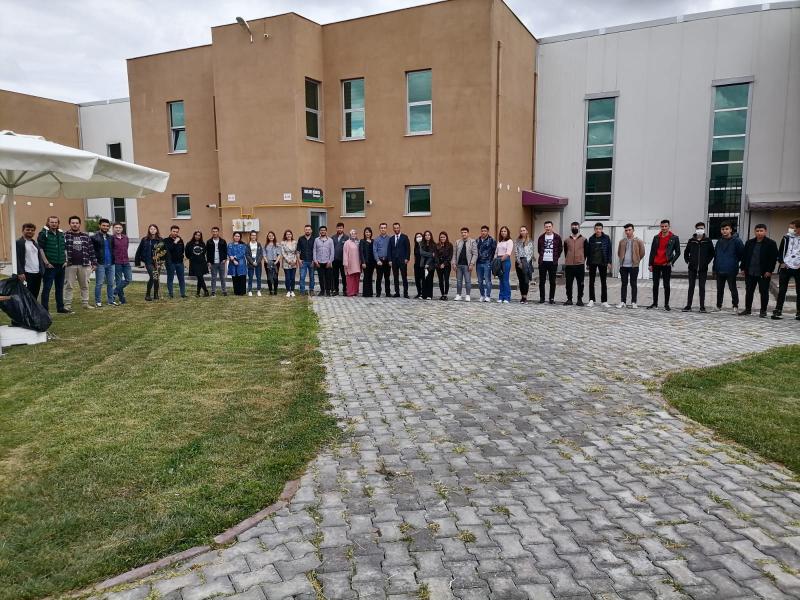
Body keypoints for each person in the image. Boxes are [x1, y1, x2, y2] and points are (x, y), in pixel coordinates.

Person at [739, 224, 778, 318]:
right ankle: (747, 309)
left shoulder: (771, 243)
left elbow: (773, 259)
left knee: (764, 292)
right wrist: (743, 268)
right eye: (757, 231)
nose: (759, 233)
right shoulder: (749, 242)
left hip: (764, 273)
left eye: (761, 231)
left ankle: (763, 311)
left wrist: (769, 271)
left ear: (765, 231)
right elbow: (744, 256)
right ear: (754, 232)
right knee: (749, 291)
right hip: (750, 271)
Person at [64, 215, 97, 311]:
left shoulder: (85, 236)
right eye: (73, 223)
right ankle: (67, 305)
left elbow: (91, 250)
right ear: (70, 224)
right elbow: (62, 250)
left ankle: (85, 303)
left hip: (84, 264)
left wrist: (94, 262)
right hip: (70, 265)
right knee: (68, 285)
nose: (75, 225)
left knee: (85, 285)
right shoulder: (65, 236)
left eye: (77, 223)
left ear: (79, 224)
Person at [647, 219, 680, 311]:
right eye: (662, 226)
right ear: (660, 227)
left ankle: (666, 304)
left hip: (666, 264)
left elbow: (678, 252)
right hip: (656, 264)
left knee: (666, 285)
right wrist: (650, 264)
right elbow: (652, 251)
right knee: (655, 284)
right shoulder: (656, 237)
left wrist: (671, 262)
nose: (664, 228)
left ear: (669, 226)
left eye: (666, 226)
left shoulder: (674, 238)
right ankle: (655, 303)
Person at [682, 222, 715, 312]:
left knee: (702, 287)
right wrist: (688, 261)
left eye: (702, 228)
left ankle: (702, 306)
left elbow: (712, 253)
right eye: (698, 228)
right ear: (696, 229)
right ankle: (688, 305)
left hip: (703, 268)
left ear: (704, 229)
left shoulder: (708, 240)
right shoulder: (691, 240)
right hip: (692, 268)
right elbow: (686, 252)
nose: (700, 230)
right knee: (691, 286)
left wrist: (706, 262)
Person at [38, 216, 68, 313]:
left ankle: (60, 308)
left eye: (55, 222)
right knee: (47, 288)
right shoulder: (43, 233)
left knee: (59, 288)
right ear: (48, 222)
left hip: (61, 265)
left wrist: (66, 260)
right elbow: (40, 249)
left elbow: (65, 248)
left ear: (58, 223)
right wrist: (46, 262)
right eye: (52, 222)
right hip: (50, 266)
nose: (54, 224)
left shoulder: (61, 233)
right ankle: (44, 309)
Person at [713, 221, 743, 314]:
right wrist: (714, 268)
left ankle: (735, 305)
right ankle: (718, 306)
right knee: (719, 289)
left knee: (732, 288)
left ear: (730, 230)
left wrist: (736, 264)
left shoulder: (737, 241)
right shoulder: (719, 241)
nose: (724, 231)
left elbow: (742, 255)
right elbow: (716, 255)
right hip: (719, 269)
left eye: (726, 229)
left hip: (731, 269)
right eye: (723, 229)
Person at [772, 218, 800, 320]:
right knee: (782, 290)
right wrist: (782, 262)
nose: (791, 230)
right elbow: (780, 252)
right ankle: (778, 310)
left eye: (793, 228)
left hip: (798, 267)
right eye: (790, 227)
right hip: (786, 267)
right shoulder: (786, 238)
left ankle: (798, 312)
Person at [616, 224, 645, 309]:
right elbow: (619, 253)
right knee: (624, 284)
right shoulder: (622, 241)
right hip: (623, 266)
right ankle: (623, 302)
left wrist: (637, 260)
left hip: (634, 266)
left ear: (633, 230)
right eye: (626, 230)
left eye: (629, 230)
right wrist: (622, 260)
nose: (628, 232)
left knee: (633, 284)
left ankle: (634, 302)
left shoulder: (638, 241)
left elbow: (642, 253)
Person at [16, 223, 45, 300]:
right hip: (26, 274)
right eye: (28, 230)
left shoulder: (34, 243)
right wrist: (20, 272)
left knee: (34, 296)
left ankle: (32, 312)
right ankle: (25, 312)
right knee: (26, 296)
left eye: (32, 230)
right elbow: (16, 258)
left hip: (37, 273)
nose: (30, 231)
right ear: (23, 231)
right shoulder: (19, 243)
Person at [91, 218, 115, 307]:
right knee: (99, 283)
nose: (105, 227)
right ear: (99, 226)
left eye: (107, 226)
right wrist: (93, 262)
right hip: (100, 263)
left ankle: (111, 300)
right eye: (103, 225)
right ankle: (98, 301)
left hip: (111, 264)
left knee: (111, 283)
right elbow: (92, 251)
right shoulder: (94, 237)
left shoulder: (111, 237)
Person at [586, 222, 611, 308]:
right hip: (593, 262)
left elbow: (609, 251)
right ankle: (591, 300)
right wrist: (588, 263)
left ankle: (604, 301)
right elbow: (588, 252)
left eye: (599, 229)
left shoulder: (606, 238)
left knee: (603, 282)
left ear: (602, 229)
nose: (598, 230)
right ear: (594, 229)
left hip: (603, 262)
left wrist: (609, 262)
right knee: (591, 282)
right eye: (596, 229)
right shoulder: (591, 238)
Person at [135, 224, 163, 301]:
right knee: (153, 275)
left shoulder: (160, 240)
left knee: (156, 277)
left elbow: (163, 251)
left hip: (157, 262)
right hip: (148, 261)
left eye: (154, 229)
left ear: (157, 230)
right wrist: (138, 262)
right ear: (149, 230)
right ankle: (147, 295)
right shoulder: (145, 239)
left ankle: (156, 294)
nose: (153, 230)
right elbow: (139, 250)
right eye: (151, 229)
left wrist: (161, 258)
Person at [563, 222, 587, 306]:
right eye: (573, 227)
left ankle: (579, 299)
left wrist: (583, 260)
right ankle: (569, 299)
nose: (574, 228)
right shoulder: (566, 240)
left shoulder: (584, 239)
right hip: (569, 265)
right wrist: (568, 259)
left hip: (579, 265)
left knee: (580, 283)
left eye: (576, 227)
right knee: (568, 283)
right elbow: (566, 252)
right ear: (571, 228)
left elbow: (586, 252)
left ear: (579, 228)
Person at [537, 221, 562, 304]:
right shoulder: (541, 237)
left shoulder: (557, 237)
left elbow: (560, 249)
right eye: (546, 227)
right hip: (543, 262)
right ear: (544, 227)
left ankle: (551, 298)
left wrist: (555, 257)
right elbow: (539, 249)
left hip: (553, 262)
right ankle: (542, 298)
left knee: (552, 281)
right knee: (542, 281)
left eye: (549, 226)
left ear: (552, 227)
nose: (548, 228)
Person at [452, 227, 477, 302]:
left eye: (465, 232)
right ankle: (458, 295)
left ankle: (467, 295)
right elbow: (454, 254)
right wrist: (453, 263)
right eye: (462, 232)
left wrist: (472, 264)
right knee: (459, 281)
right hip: (459, 265)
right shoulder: (457, 242)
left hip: (467, 265)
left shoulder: (472, 242)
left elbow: (475, 254)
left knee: (467, 281)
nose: (463, 234)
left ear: (468, 233)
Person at [388, 222, 411, 298]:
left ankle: (405, 293)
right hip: (394, 261)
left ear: (399, 228)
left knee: (404, 277)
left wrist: (407, 258)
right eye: (395, 228)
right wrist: (390, 260)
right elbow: (389, 250)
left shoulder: (405, 237)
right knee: (395, 277)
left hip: (402, 261)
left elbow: (408, 249)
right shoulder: (391, 238)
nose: (396, 229)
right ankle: (397, 292)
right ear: (393, 229)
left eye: (397, 228)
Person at [163, 225, 187, 299]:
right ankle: (171, 294)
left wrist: (182, 257)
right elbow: (168, 250)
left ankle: (183, 294)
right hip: (170, 262)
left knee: (181, 279)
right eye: (174, 231)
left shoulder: (180, 240)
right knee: (170, 278)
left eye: (177, 232)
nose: (175, 233)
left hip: (179, 262)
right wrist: (175, 242)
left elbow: (182, 250)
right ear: (171, 231)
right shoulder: (166, 240)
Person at [112, 223, 132, 304]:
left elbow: (126, 248)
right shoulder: (111, 238)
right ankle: (122, 299)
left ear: (122, 229)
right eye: (116, 227)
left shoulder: (126, 238)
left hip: (126, 261)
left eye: (119, 227)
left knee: (128, 279)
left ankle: (114, 292)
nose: (118, 229)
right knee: (118, 281)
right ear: (113, 229)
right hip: (117, 262)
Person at [514, 226, 534, 304]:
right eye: (521, 230)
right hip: (519, 262)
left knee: (526, 280)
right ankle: (522, 296)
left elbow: (531, 253)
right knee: (521, 280)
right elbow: (516, 252)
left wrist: (526, 262)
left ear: (527, 231)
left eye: (524, 230)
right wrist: (519, 262)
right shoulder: (517, 241)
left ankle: (525, 297)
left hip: (527, 261)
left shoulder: (530, 241)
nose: (522, 232)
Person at [185, 230, 209, 297]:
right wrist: (192, 258)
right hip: (194, 263)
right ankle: (206, 291)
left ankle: (198, 293)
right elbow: (187, 254)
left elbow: (204, 252)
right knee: (200, 277)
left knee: (200, 277)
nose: (197, 236)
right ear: (194, 235)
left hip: (202, 263)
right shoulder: (189, 244)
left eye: (199, 235)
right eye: (196, 235)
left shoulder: (202, 243)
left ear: (200, 236)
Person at [476, 225, 496, 302]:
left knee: (487, 280)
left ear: (487, 232)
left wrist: (491, 261)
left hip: (487, 262)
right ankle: (482, 295)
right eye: (482, 231)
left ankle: (488, 296)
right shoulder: (477, 240)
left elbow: (494, 251)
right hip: (478, 263)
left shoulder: (492, 240)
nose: (483, 232)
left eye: (485, 231)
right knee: (480, 281)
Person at [206, 226, 228, 297]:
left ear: (218, 232)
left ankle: (224, 291)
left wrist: (225, 259)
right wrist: (208, 262)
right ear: (212, 232)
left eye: (216, 231)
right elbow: (207, 253)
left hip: (221, 262)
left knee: (222, 277)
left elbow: (225, 251)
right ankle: (213, 291)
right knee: (213, 278)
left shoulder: (223, 241)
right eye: (213, 231)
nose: (215, 233)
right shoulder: (209, 242)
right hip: (213, 262)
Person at [313, 225, 335, 296]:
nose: (323, 231)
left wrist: (330, 261)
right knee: (320, 277)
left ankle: (328, 291)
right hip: (319, 262)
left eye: (324, 230)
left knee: (328, 277)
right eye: (321, 230)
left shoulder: (330, 240)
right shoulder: (316, 240)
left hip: (327, 262)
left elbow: (332, 251)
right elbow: (314, 250)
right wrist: (315, 261)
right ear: (319, 231)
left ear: (326, 231)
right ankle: (322, 291)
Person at [495, 226, 513, 304]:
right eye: (502, 231)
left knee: (505, 280)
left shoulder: (509, 241)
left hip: (505, 261)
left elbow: (508, 253)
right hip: (498, 260)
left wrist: (500, 260)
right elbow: (496, 252)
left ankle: (507, 297)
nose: (503, 232)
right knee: (501, 280)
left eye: (505, 231)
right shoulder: (499, 241)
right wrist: (495, 261)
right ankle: (501, 297)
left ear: (507, 232)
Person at [227, 232, 248, 296]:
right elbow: (229, 253)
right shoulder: (230, 245)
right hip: (232, 263)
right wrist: (233, 260)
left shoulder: (243, 245)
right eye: (236, 236)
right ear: (233, 237)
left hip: (241, 263)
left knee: (241, 277)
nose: (237, 237)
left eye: (238, 236)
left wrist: (235, 257)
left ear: (240, 237)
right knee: (235, 277)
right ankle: (236, 292)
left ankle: (242, 292)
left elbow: (243, 253)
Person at [342, 229, 362, 297]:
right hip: (350, 263)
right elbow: (345, 253)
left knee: (356, 278)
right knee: (350, 279)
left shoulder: (358, 242)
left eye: (355, 233)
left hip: (357, 263)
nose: (353, 234)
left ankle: (356, 291)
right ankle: (350, 292)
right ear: (350, 235)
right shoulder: (347, 243)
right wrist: (345, 262)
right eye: (352, 233)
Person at [297, 224, 316, 296]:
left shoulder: (314, 239)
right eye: (306, 229)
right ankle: (302, 291)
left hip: (311, 261)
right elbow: (298, 250)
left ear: (311, 231)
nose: (307, 231)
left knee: (312, 277)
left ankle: (311, 290)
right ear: (304, 230)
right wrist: (299, 260)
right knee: (302, 277)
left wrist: (314, 260)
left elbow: (315, 250)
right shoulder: (300, 238)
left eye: (309, 229)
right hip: (303, 261)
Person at [279, 229, 298, 297]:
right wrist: (288, 260)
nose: (288, 235)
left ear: (291, 235)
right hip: (286, 262)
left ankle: (292, 290)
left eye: (290, 234)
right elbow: (283, 253)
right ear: (285, 235)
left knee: (292, 278)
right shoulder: (283, 243)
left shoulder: (295, 242)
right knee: (287, 277)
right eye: (287, 234)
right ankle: (288, 291)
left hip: (294, 261)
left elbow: (296, 252)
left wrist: (295, 260)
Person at [374, 222, 391, 297]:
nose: (383, 229)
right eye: (381, 228)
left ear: (386, 229)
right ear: (379, 229)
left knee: (387, 278)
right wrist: (377, 260)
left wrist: (390, 260)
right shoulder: (376, 239)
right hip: (379, 261)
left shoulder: (390, 239)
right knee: (379, 278)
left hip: (387, 261)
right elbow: (375, 251)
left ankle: (388, 293)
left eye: (384, 228)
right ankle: (378, 293)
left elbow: (391, 250)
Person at [245, 230, 264, 297]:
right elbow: (247, 255)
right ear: (250, 236)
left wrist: (257, 262)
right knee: (250, 278)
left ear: (256, 236)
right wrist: (252, 262)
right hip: (250, 264)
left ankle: (258, 290)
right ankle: (250, 291)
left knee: (258, 278)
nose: (253, 236)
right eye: (252, 235)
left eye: (255, 235)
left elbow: (261, 254)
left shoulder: (258, 244)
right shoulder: (248, 245)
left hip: (258, 264)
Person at [331, 223, 348, 296]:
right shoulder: (333, 237)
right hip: (335, 260)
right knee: (335, 276)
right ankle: (336, 290)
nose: (339, 229)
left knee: (344, 276)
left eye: (341, 228)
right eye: (338, 228)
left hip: (343, 260)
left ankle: (345, 290)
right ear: (336, 228)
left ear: (343, 228)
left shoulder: (346, 237)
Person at [418, 230, 436, 300]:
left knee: (429, 280)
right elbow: (421, 253)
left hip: (430, 265)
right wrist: (431, 254)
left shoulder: (434, 244)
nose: (427, 236)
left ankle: (429, 295)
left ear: (430, 236)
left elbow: (433, 257)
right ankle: (423, 295)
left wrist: (427, 264)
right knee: (423, 280)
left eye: (428, 235)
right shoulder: (421, 244)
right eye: (426, 235)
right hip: (422, 264)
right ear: (424, 236)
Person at [435, 231, 453, 300]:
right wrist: (439, 264)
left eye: (444, 237)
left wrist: (444, 264)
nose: (442, 238)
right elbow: (436, 255)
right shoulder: (437, 245)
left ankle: (445, 294)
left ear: (446, 237)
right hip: (438, 266)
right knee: (440, 280)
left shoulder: (449, 245)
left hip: (447, 265)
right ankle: (442, 294)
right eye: (441, 237)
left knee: (446, 280)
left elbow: (450, 256)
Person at [360, 227, 377, 298]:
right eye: (366, 232)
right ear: (364, 233)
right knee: (366, 276)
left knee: (370, 277)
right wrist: (363, 262)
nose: (368, 233)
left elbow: (375, 251)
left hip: (372, 262)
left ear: (371, 233)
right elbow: (361, 252)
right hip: (365, 262)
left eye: (369, 232)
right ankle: (365, 293)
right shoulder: (362, 241)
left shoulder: (373, 241)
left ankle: (370, 293)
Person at [264, 231, 281, 295]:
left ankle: (275, 290)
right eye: (269, 236)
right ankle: (270, 290)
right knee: (269, 277)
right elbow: (264, 255)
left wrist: (276, 262)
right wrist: (267, 262)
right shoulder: (265, 245)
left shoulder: (277, 245)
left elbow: (279, 254)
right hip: (268, 262)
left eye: (272, 236)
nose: (271, 237)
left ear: (274, 237)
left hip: (275, 262)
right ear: (268, 237)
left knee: (275, 277)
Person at [412, 232, 424, 299]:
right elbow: (415, 256)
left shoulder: (424, 246)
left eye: (419, 236)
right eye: (417, 237)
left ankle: (423, 293)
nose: (418, 238)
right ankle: (419, 293)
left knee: (423, 280)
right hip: (417, 265)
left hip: (423, 265)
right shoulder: (416, 246)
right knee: (417, 280)